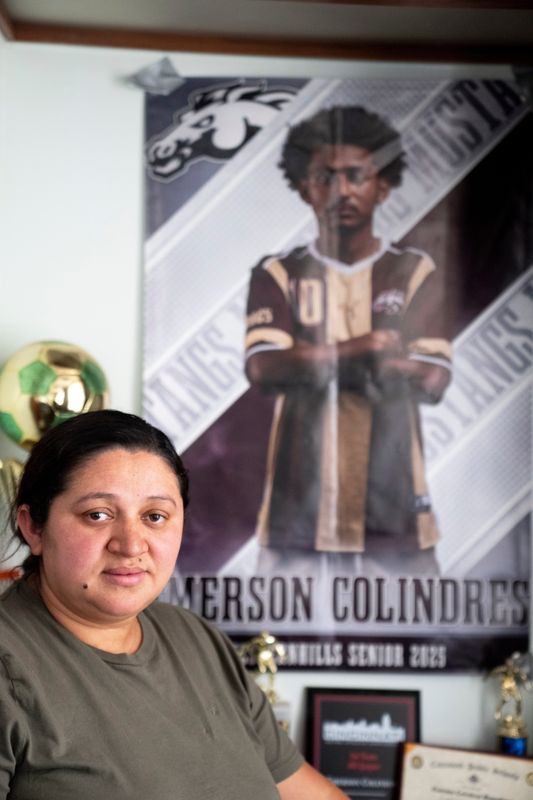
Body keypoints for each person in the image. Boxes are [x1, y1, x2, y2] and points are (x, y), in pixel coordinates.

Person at [0, 409, 349, 800]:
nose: (131, 544)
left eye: (155, 516)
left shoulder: (197, 639)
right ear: (34, 527)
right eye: (97, 515)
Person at [245, 105, 452, 576]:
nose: (342, 190)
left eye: (356, 175)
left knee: (418, 641)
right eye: (326, 176)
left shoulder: (415, 271)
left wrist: (312, 360)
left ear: (382, 186)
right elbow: (265, 368)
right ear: (305, 188)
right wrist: (368, 349)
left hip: (395, 504)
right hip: (295, 511)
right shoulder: (278, 272)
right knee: (271, 643)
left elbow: (434, 377)